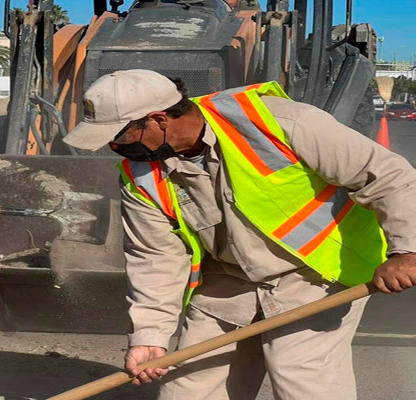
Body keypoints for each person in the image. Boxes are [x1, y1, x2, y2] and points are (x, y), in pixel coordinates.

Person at [63, 69, 416, 399]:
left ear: (158, 119)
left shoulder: (278, 123)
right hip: (229, 281)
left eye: (120, 137)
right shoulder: (141, 174)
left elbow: (390, 178)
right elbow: (154, 257)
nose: (116, 148)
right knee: (188, 390)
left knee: (300, 378)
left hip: (313, 276)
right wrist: (149, 336)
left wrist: (406, 251)